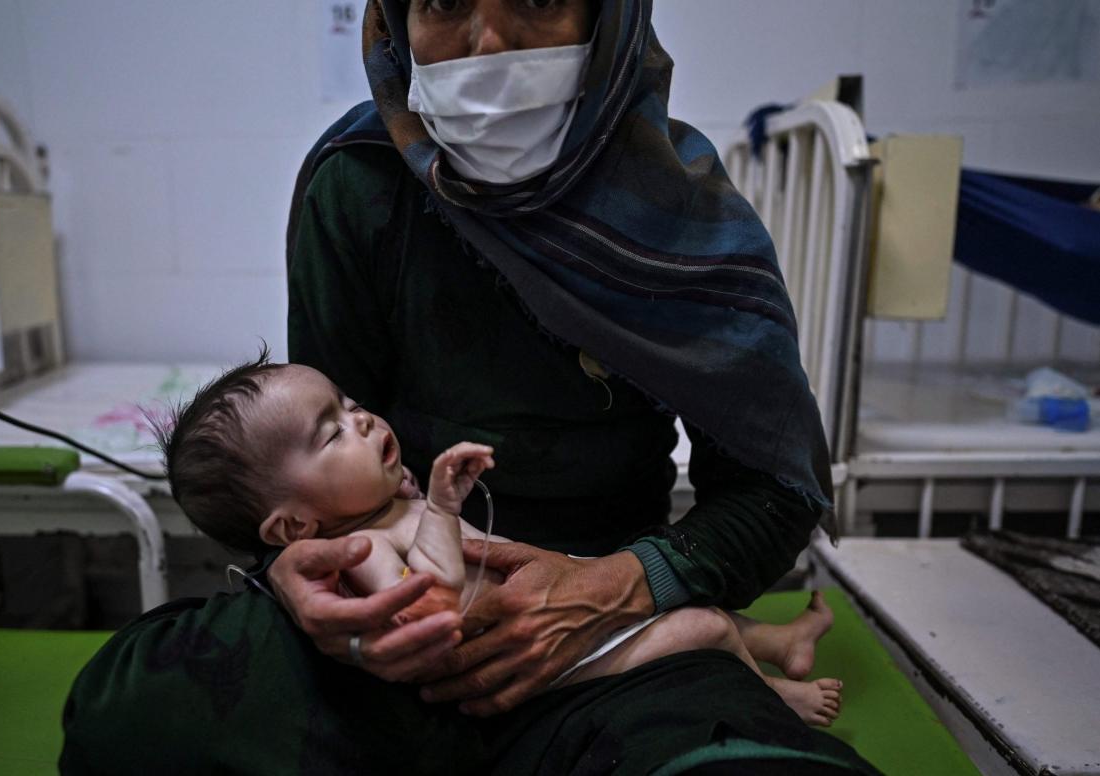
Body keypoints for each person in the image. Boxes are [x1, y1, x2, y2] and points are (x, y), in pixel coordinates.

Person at [61, 1, 879, 772]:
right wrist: (300, 576)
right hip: (391, 627)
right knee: (128, 717)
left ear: (606, 18)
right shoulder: (359, 183)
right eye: (446, 1)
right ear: (398, 16)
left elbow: (772, 491)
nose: (488, 42)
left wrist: (618, 587)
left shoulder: (679, 212)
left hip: (602, 617)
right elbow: (296, 458)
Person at [157, 356, 843, 724]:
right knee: (699, 625)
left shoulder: (381, 508)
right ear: (293, 529)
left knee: (636, 588)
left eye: (349, 403)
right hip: (535, 669)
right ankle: (775, 696)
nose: (363, 420)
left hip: (544, 610)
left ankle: (781, 643)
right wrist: (443, 508)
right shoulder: (362, 552)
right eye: (332, 431)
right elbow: (433, 607)